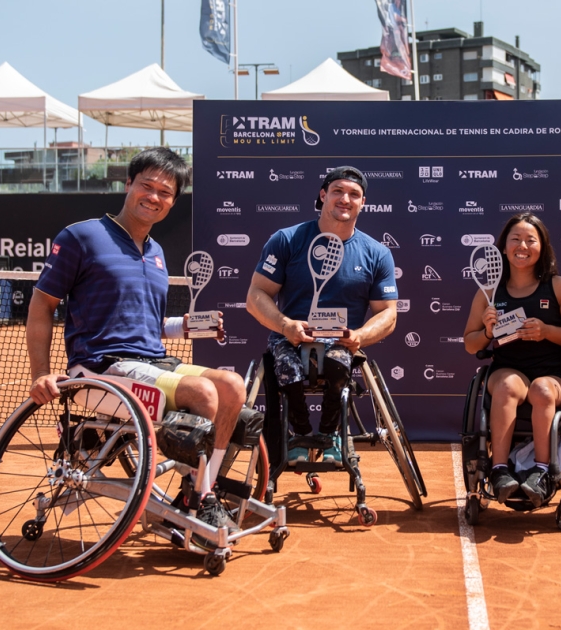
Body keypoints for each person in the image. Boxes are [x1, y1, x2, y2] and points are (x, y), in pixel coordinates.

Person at [26, 147, 247, 530]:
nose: (155, 197)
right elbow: (42, 306)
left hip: (150, 361)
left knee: (232, 386)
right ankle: (203, 496)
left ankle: (198, 487)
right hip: (99, 369)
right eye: (147, 186)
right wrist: (41, 373)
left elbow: (145, 324)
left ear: (173, 202)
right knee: (204, 394)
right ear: (128, 184)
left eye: (166, 193)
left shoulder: (156, 252)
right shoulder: (82, 237)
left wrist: (185, 326)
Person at [246, 166, 398, 465]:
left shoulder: (377, 253)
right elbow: (256, 295)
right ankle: (300, 435)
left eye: (354, 194)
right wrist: (285, 324)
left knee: (338, 362)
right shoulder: (287, 240)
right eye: (338, 191)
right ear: (323, 195)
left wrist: (360, 336)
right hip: (289, 339)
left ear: (363, 203)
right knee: (285, 370)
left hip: (341, 345)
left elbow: (388, 314)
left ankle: (330, 436)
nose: (345, 199)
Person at [463, 213, 561, 507]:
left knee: (542, 391)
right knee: (507, 385)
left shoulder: (559, 287)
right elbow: (471, 344)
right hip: (508, 369)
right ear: (504, 248)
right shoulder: (489, 294)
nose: (523, 245)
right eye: (515, 239)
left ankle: (541, 472)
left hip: (553, 372)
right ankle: (498, 471)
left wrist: (546, 331)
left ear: (542, 247)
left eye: (531, 240)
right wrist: (487, 331)